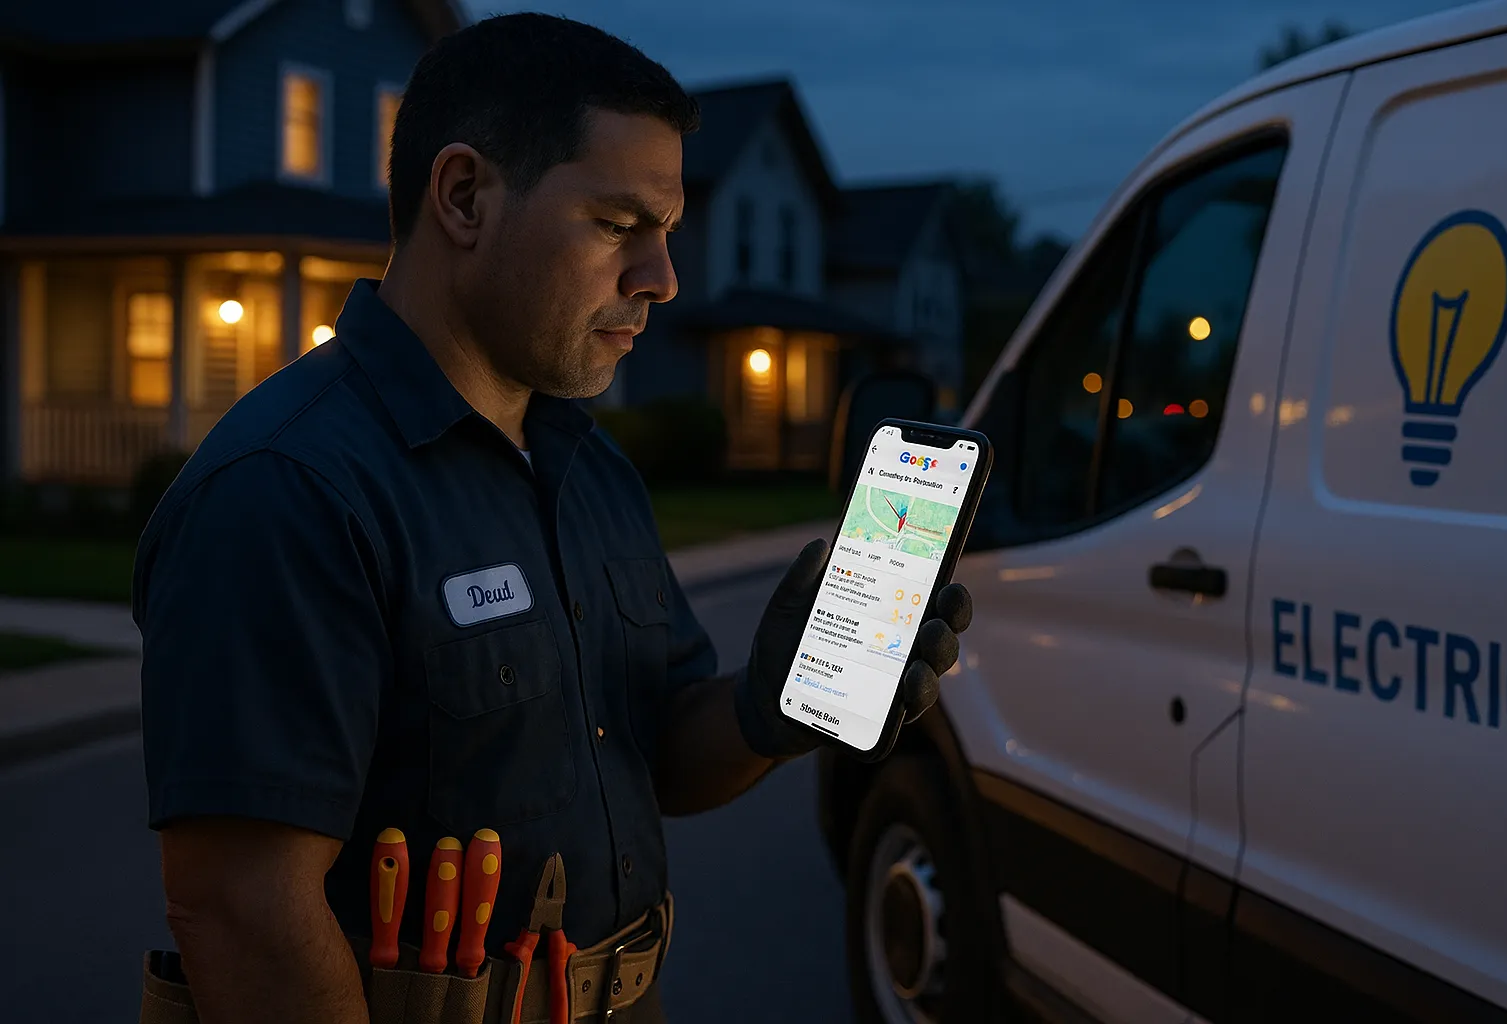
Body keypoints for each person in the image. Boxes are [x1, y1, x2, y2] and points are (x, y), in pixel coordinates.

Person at [133, 12, 972, 1024]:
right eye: (619, 226)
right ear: (464, 195)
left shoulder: (588, 465)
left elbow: (652, 747)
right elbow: (239, 906)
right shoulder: (289, 491)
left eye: (666, 233)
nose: (662, 278)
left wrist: (770, 705)